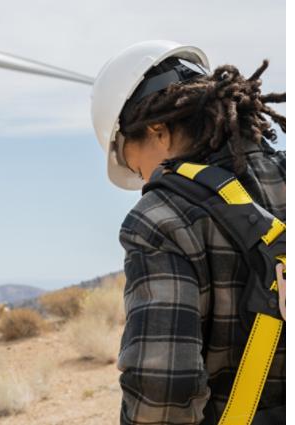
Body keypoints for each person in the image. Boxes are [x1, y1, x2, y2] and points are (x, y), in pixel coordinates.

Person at [90, 40, 286, 425]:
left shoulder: (161, 218)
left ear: (158, 130)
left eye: (134, 164)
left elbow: (162, 395)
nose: (143, 178)